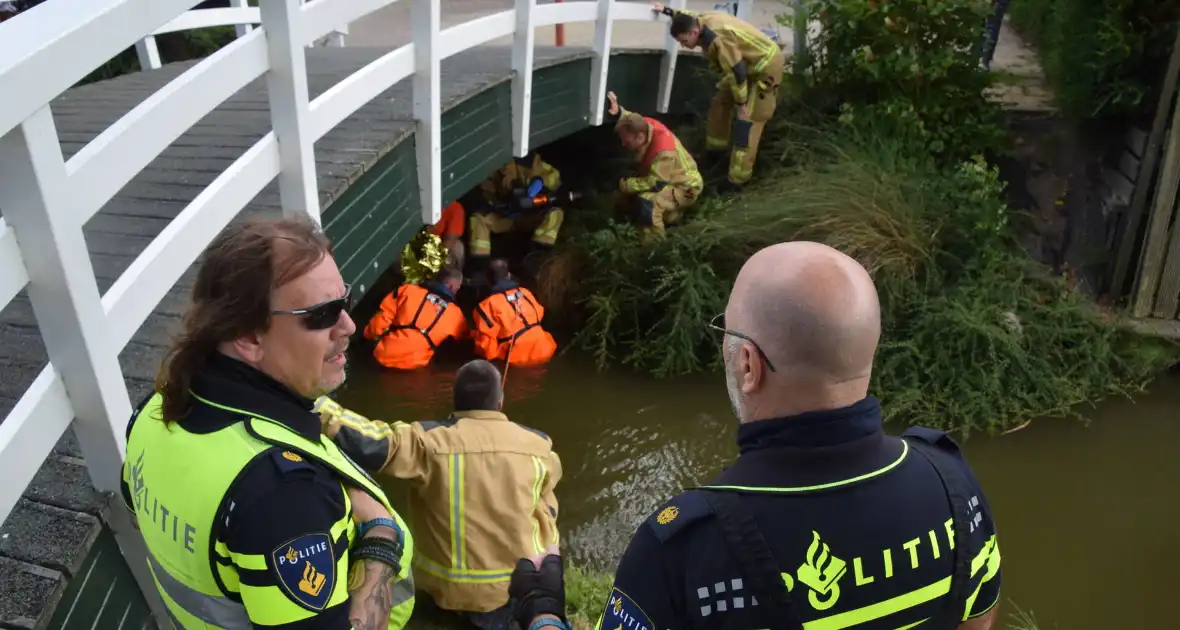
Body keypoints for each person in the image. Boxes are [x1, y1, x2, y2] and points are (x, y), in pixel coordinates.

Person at [512, 241, 1004, 630]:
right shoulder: (952, 486)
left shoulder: (687, 548)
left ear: (748, 364)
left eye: (726, 333)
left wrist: (545, 615)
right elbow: (977, 617)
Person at [120, 216, 416, 629]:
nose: (348, 326)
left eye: (344, 302)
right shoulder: (287, 498)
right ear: (250, 338)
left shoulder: (154, 411)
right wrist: (381, 533)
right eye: (323, 314)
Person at [315, 359, 562, 630]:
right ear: (500, 401)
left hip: (440, 594)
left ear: (454, 401)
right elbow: (548, 508)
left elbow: (370, 440)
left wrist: (315, 404)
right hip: (511, 593)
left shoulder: (429, 442)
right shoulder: (540, 447)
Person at [654, 2, 785, 191]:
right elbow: (686, 16)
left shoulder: (718, 40)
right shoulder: (699, 23)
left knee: (749, 122)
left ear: (693, 33)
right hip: (746, 63)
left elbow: (736, 72)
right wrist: (668, 11)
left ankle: (737, 180)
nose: (683, 45)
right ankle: (715, 153)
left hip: (765, 66)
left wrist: (741, 105)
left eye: (684, 41)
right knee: (720, 102)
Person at [605, 90, 704, 233]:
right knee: (635, 196)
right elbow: (630, 118)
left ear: (639, 137)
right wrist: (618, 111)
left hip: (685, 186)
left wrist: (626, 185)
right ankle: (671, 217)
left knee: (648, 203)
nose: (623, 144)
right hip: (669, 179)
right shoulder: (645, 126)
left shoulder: (663, 153)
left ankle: (654, 246)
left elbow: (655, 183)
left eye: (626, 141)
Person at [468, 153, 565, 272]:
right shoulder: (488, 169)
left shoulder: (529, 161)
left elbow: (555, 176)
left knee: (555, 213)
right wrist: (498, 206)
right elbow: (483, 196)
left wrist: (540, 181)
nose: (504, 169)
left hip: (529, 214)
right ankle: (480, 266)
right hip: (504, 216)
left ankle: (537, 259)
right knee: (478, 218)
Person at [363, 267, 468, 370]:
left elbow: (379, 323)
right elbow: (462, 343)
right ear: (451, 286)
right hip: (418, 365)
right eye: (457, 288)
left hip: (383, 355)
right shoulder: (456, 315)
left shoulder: (407, 290)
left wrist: (367, 336)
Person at [473, 258, 557, 366]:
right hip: (544, 348)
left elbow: (486, 348)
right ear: (508, 275)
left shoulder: (486, 306)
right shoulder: (526, 293)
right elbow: (539, 314)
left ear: (487, 280)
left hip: (515, 357)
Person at [430, 200, 467, 270]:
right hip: (418, 242)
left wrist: (437, 258)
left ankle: (450, 278)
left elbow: (451, 238)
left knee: (458, 247)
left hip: (438, 246)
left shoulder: (454, 206)